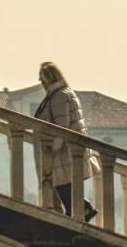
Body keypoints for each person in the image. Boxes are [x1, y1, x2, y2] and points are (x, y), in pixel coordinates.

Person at [33, 61, 93, 218]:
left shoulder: (59, 96)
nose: (40, 82)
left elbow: (62, 127)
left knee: (63, 185)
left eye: (42, 78)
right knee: (65, 187)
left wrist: (53, 150)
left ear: (49, 78)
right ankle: (84, 209)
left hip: (62, 151)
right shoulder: (63, 92)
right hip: (67, 150)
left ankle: (83, 210)